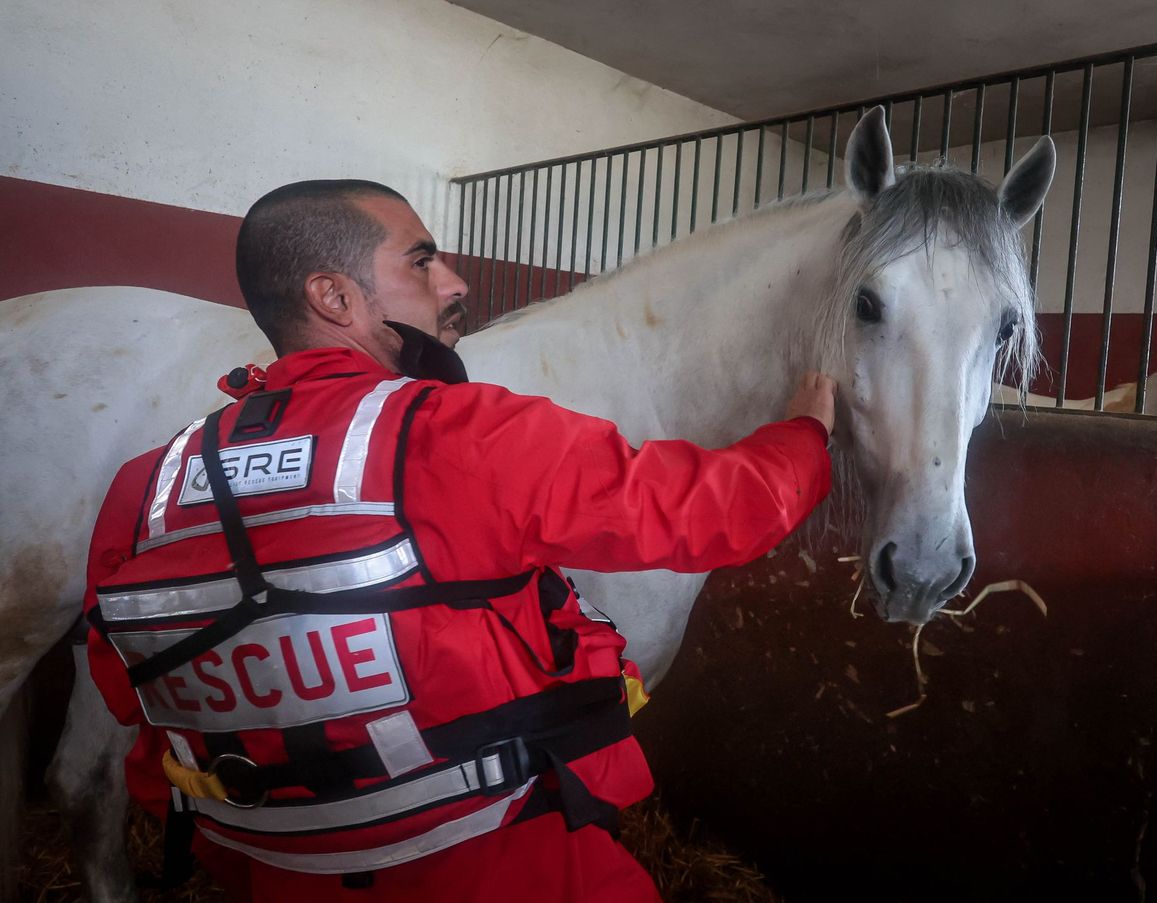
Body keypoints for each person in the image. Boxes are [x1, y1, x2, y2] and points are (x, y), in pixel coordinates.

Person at [81, 179, 836, 901]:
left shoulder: (150, 481)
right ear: (333, 296)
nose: (454, 282)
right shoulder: (460, 433)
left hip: (273, 867)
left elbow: (126, 685)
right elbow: (706, 511)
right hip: (500, 862)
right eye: (421, 260)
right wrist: (804, 435)